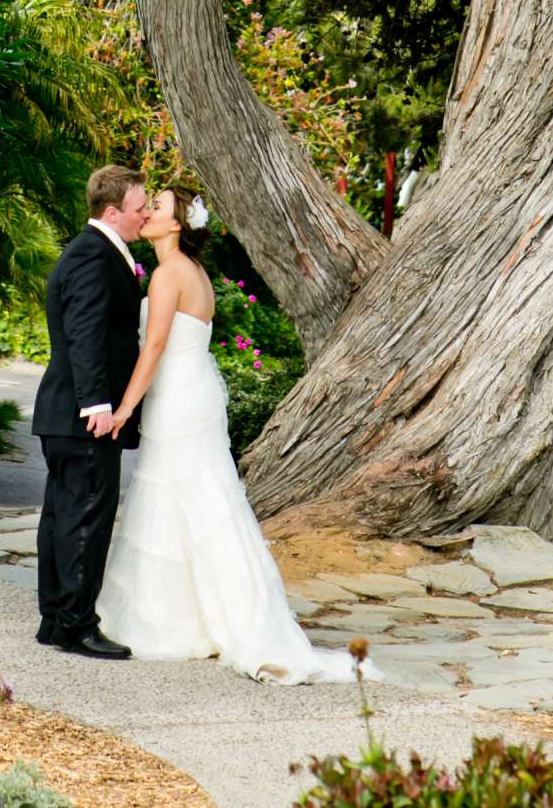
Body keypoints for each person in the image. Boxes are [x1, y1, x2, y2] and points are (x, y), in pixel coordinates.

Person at [96, 178, 357, 683]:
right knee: (200, 504)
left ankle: (186, 621)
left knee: (185, 500)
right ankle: (201, 615)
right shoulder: (192, 271)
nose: (147, 212)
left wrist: (126, 406)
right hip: (193, 395)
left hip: (178, 401)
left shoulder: (169, 274)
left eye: (157, 207)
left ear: (176, 224)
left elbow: (152, 350)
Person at [31, 163, 149, 659]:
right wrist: (97, 404)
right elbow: (85, 335)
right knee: (85, 520)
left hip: (67, 415)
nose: (144, 217)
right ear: (112, 212)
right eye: (139, 209)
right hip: (84, 418)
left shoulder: (94, 251)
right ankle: (77, 625)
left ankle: (56, 619)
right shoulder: (94, 257)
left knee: (61, 515)